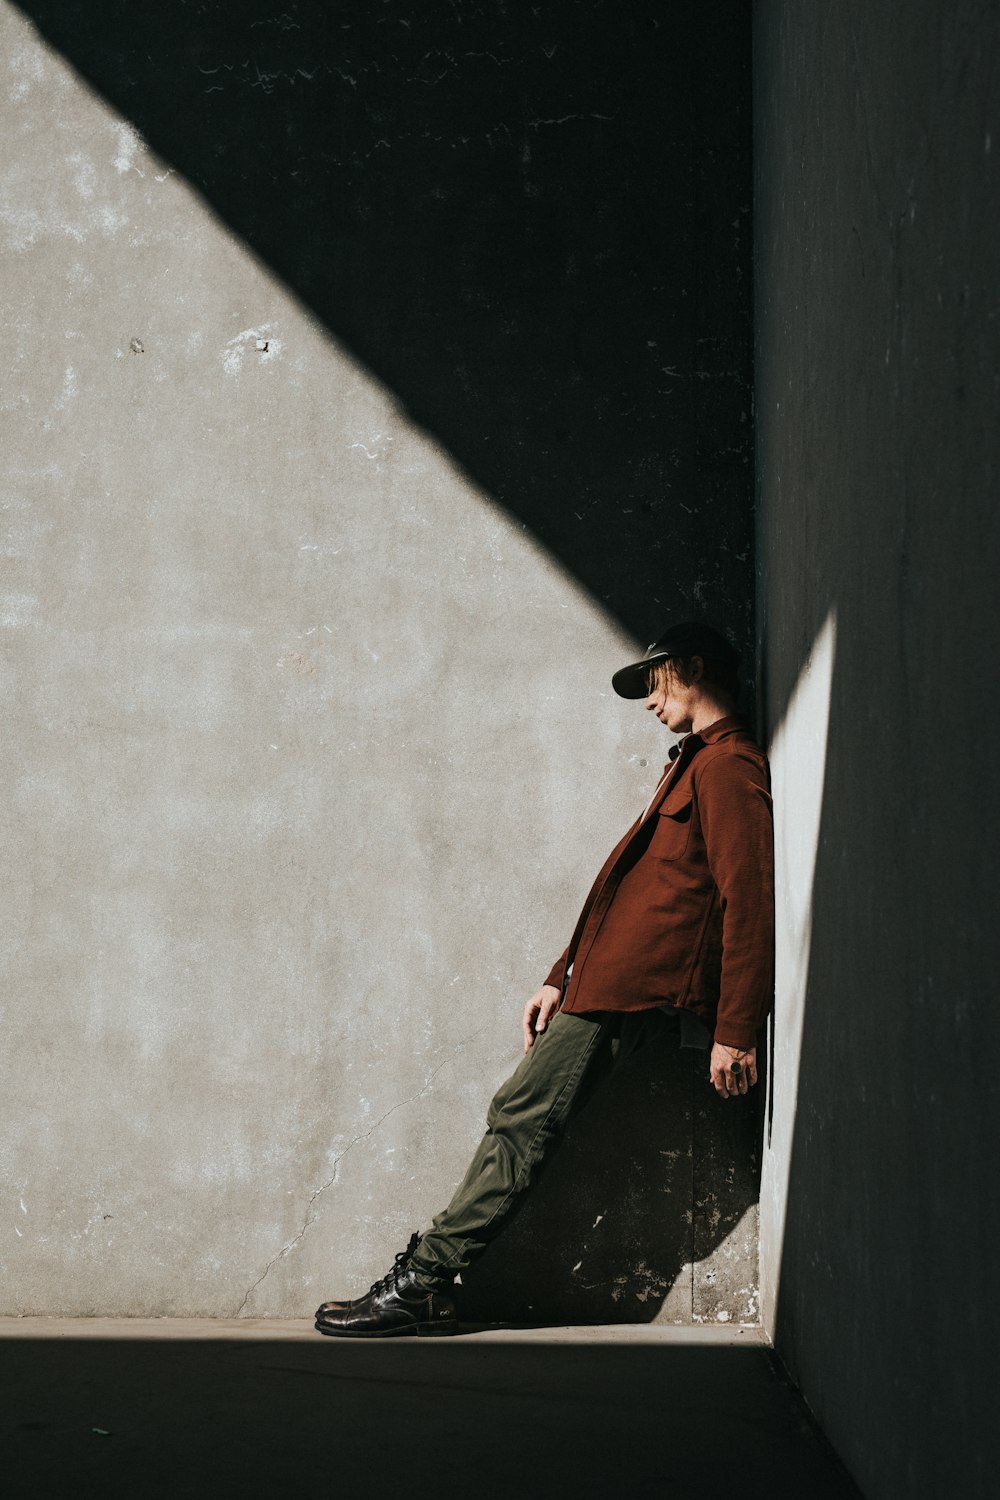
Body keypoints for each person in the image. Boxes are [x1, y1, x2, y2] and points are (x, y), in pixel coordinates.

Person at [314, 621, 774, 1338]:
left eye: (655, 683)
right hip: (601, 982)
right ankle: (427, 1284)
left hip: (633, 990)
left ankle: (422, 1284)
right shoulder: (691, 762)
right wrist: (560, 976)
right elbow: (622, 892)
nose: (649, 702)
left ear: (691, 669)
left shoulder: (728, 767)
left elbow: (751, 898)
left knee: (520, 1119)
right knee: (519, 1118)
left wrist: (736, 1028)